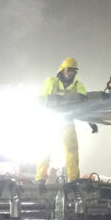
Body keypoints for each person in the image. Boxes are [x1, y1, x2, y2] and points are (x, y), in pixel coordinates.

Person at [36, 57, 94, 185]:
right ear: (62, 70)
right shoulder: (51, 82)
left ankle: (73, 179)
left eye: (73, 70)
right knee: (45, 148)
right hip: (50, 119)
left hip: (66, 119)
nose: (71, 73)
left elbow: (85, 105)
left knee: (71, 148)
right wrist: (51, 100)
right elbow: (40, 100)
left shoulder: (78, 86)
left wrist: (91, 121)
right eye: (69, 70)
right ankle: (40, 178)